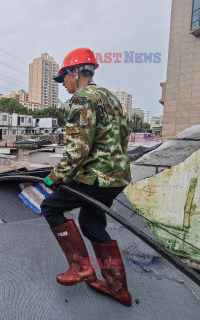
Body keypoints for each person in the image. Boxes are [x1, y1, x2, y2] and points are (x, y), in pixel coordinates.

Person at [40, 48, 132, 306]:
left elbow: (78, 149)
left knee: (50, 207)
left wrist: (55, 177)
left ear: (75, 72)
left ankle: (80, 267)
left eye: (65, 79)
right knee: (92, 225)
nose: (65, 86)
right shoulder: (110, 97)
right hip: (117, 176)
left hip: (95, 177)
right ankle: (118, 289)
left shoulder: (82, 98)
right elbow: (122, 136)